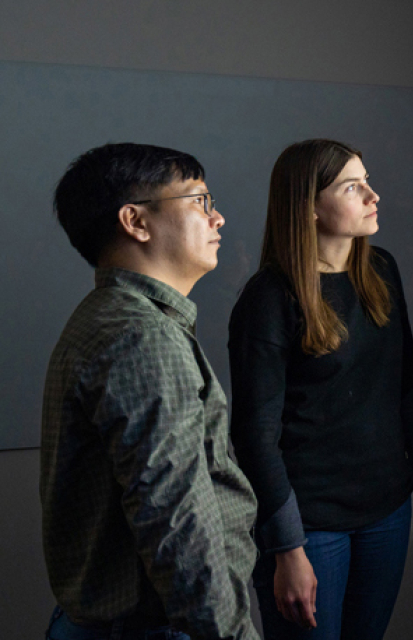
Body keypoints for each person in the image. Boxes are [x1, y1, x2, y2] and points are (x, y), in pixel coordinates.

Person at [228, 139, 413, 640]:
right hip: (309, 522)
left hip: (386, 508)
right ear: (308, 208)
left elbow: (406, 380)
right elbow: (255, 435)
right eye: (353, 186)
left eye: (367, 180)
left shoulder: (382, 270)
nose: (373, 195)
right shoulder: (268, 298)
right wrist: (286, 546)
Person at [41, 143, 259, 640]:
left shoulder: (112, 317)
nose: (218, 218)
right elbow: (176, 517)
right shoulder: (142, 335)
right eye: (200, 201)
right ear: (136, 222)